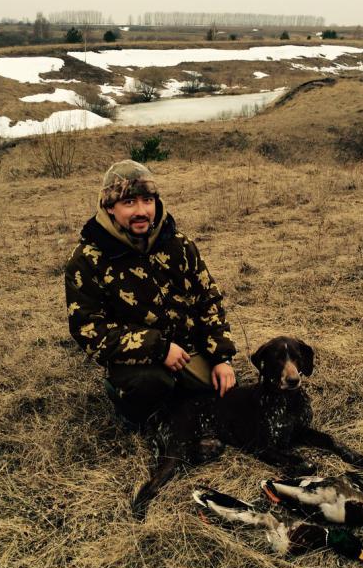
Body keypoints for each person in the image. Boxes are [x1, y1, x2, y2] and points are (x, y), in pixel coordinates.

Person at [65, 159, 237, 429]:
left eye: (147, 200)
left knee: (225, 390)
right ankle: (129, 399)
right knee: (150, 386)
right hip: (138, 360)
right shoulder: (86, 259)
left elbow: (209, 300)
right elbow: (88, 329)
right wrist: (158, 348)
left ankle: (185, 396)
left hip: (187, 352)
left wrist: (221, 357)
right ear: (109, 206)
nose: (141, 211)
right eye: (129, 202)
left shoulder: (179, 244)